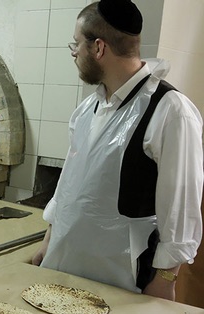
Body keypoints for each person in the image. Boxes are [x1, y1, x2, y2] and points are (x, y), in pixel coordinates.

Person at [31, 0, 203, 302]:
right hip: (66, 263)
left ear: (99, 48)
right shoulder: (88, 109)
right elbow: (68, 184)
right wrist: (49, 240)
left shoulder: (170, 111)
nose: (74, 53)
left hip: (123, 276)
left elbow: (181, 207)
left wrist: (164, 279)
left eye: (76, 44)